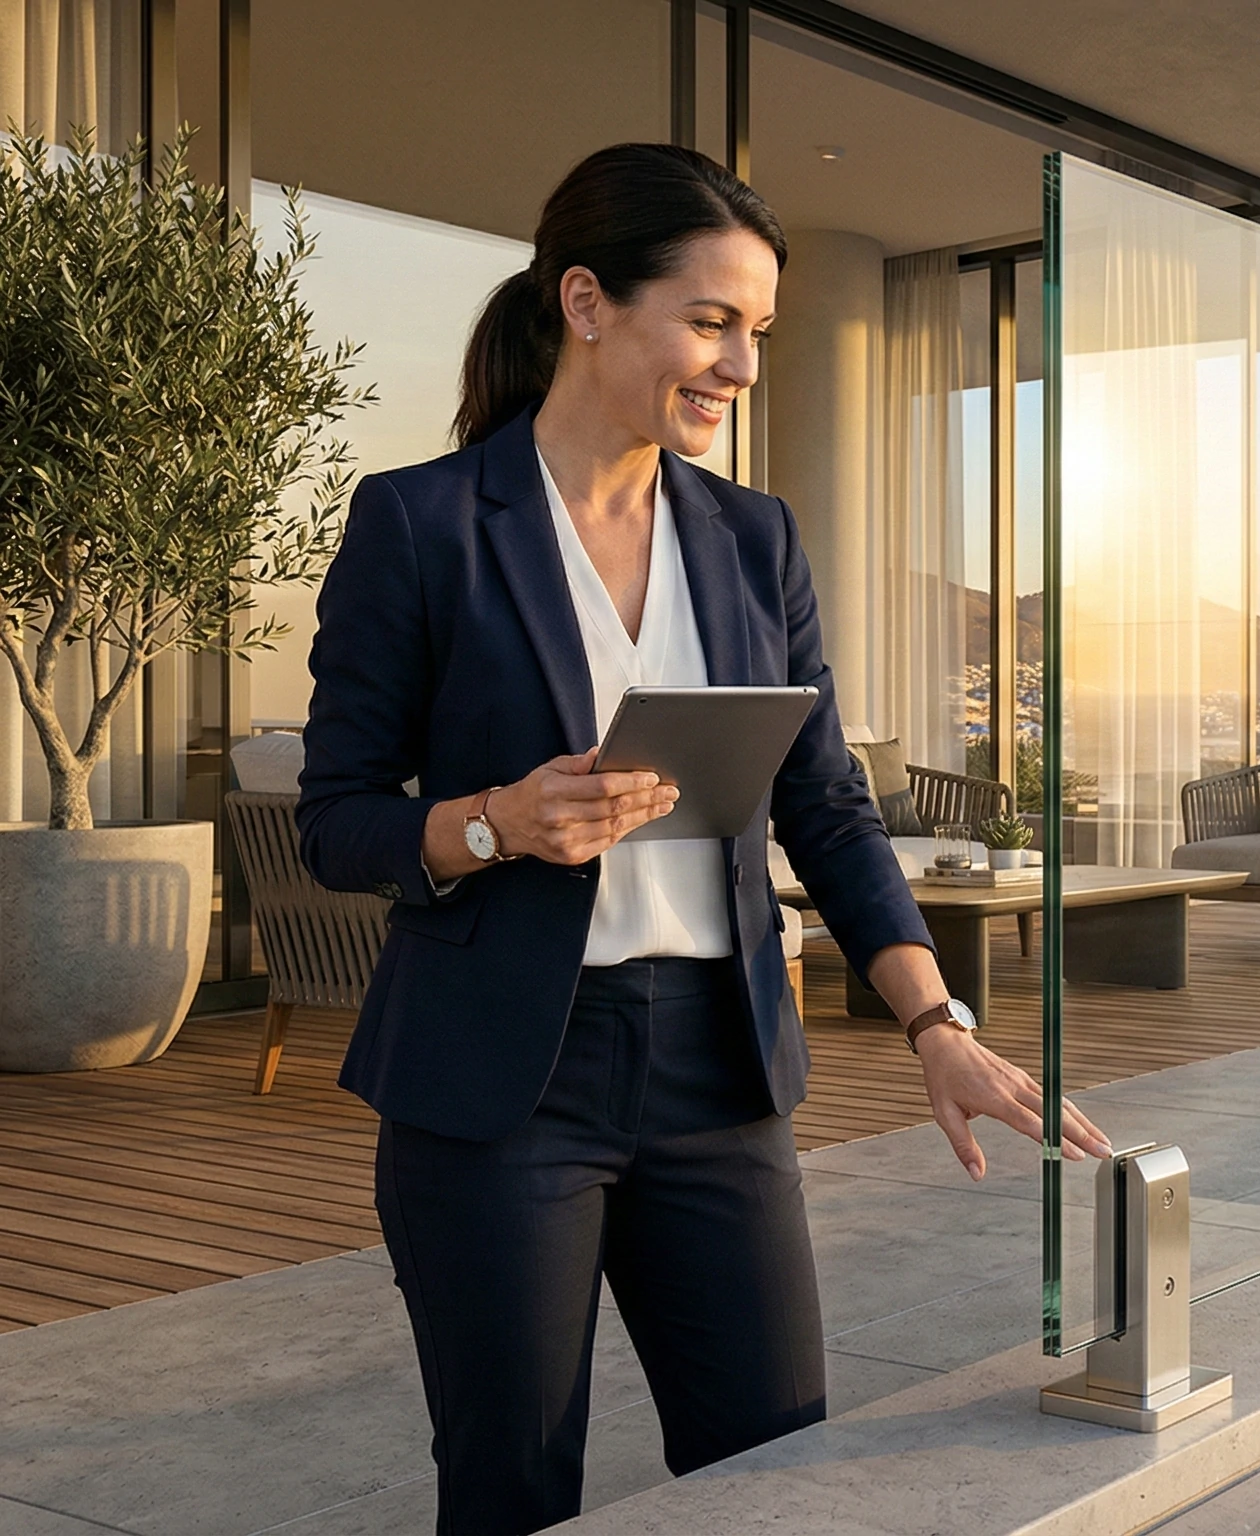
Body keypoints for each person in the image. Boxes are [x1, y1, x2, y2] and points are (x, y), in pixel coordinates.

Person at [296, 142, 1108, 1536]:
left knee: (774, 1467)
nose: (740, 365)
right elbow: (334, 819)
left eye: (760, 332)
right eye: (713, 321)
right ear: (587, 303)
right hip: (499, 1085)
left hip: (717, 1071)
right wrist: (493, 822)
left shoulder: (752, 538)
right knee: (513, 1488)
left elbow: (826, 804)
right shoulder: (424, 524)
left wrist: (934, 1022)